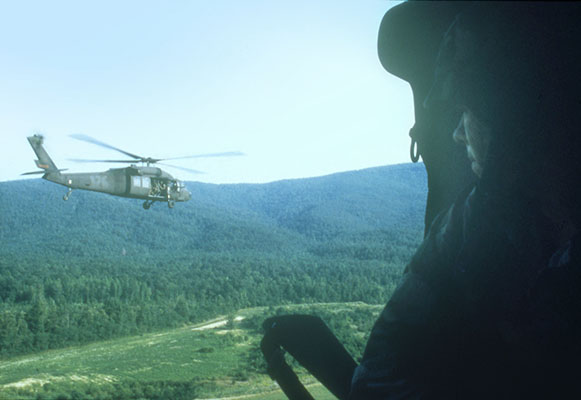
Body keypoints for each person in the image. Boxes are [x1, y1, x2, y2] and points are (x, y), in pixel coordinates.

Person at [350, 3, 581, 398]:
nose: (457, 135)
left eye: (466, 112)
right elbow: (380, 375)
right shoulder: (469, 221)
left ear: (513, 120)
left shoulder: (473, 222)